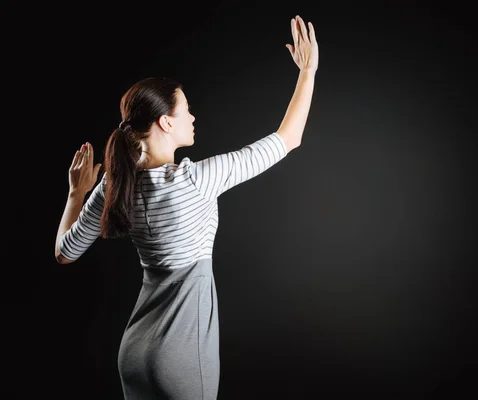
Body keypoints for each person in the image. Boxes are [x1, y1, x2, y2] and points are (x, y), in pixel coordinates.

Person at [54, 15, 318, 400]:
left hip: (134, 351)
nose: (193, 117)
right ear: (165, 122)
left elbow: (64, 253)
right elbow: (288, 139)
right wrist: (307, 71)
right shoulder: (195, 180)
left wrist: (76, 192)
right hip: (179, 359)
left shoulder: (113, 183)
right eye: (186, 110)